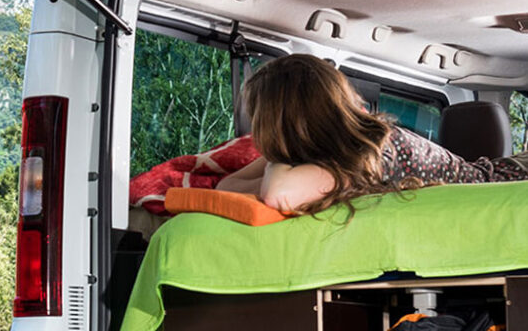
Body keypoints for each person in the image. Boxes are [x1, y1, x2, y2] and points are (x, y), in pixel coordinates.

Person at [217, 53, 528, 214]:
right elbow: (226, 187)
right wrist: (285, 154)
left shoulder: (369, 150)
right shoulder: (341, 154)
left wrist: (279, 155)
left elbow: (277, 193)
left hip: (513, 176)